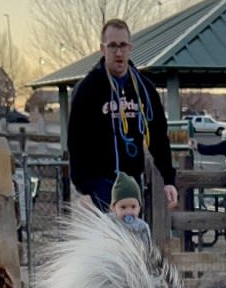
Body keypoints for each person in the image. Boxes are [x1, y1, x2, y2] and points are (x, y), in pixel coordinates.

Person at [67, 19, 178, 213]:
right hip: (98, 185)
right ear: (102, 49)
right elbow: (76, 142)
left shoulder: (145, 90)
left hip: (129, 187)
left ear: (130, 47)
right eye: (112, 46)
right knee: (104, 241)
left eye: (122, 46)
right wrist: (83, 189)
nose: (118, 53)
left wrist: (169, 180)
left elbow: (159, 137)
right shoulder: (87, 89)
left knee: (131, 237)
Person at [109, 171, 152, 246]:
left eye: (133, 207)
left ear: (139, 207)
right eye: (123, 207)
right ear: (113, 208)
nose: (129, 212)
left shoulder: (142, 227)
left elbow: (148, 248)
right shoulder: (109, 222)